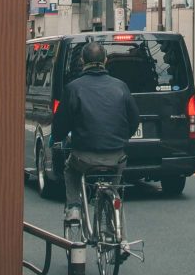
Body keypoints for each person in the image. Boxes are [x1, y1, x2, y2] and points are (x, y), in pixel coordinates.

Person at [52, 40, 140, 227]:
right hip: (116, 156)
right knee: (116, 176)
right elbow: (134, 120)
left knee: (70, 171)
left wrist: (57, 139)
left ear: (83, 61)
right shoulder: (121, 86)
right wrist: (124, 137)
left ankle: (74, 207)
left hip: (83, 157)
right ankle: (113, 203)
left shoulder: (73, 88)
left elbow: (61, 124)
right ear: (106, 60)